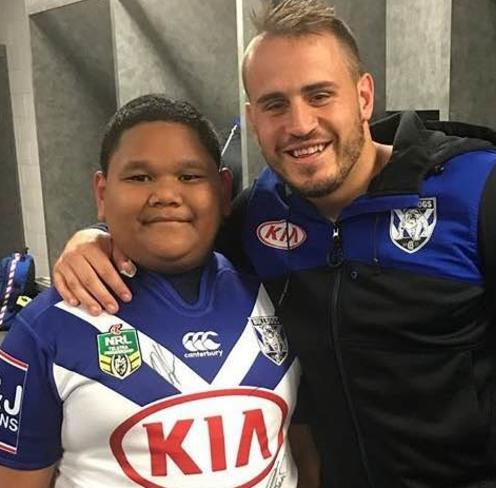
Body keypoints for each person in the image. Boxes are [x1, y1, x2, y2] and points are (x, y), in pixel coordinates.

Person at [52, 1, 496, 487]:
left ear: (363, 96)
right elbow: (174, 244)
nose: (299, 124)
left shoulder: (480, 191)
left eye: (319, 94)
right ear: (253, 118)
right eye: (274, 104)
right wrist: (96, 238)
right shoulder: (258, 215)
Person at [0, 94, 318, 487]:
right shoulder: (47, 330)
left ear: (222, 191)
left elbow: (303, 453)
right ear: (102, 193)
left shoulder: (275, 296)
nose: (166, 194)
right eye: (139, 177)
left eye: (189, 176)